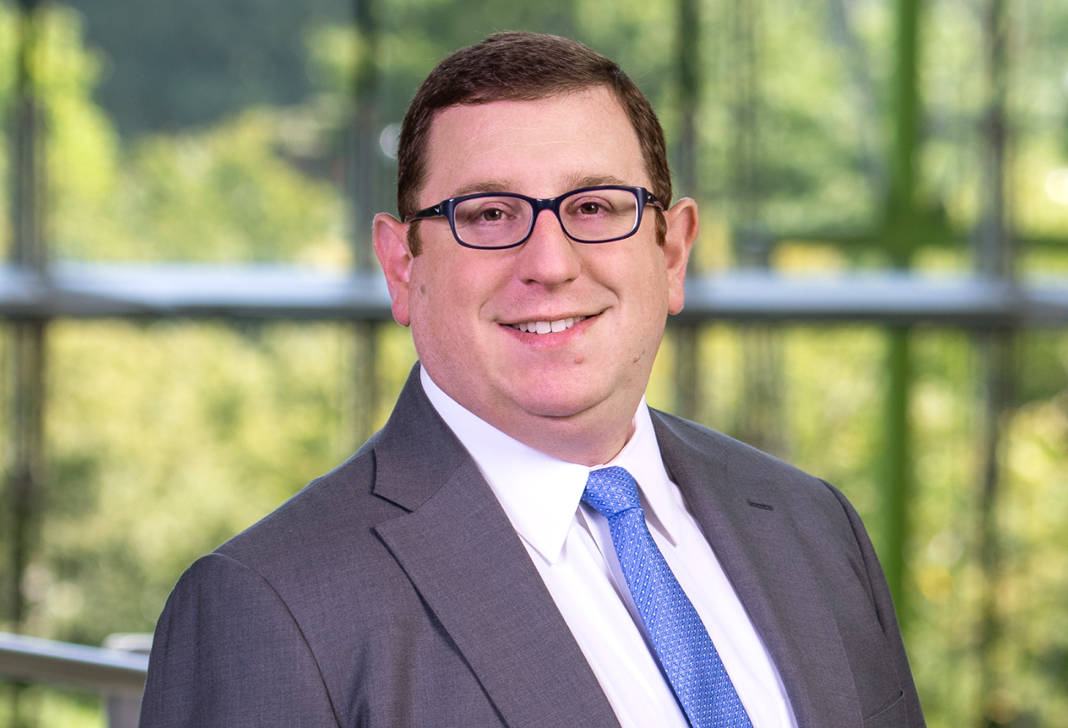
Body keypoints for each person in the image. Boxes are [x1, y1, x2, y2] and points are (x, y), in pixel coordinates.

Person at [140, 32, 924, 728]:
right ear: (402, 267)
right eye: (489, 215)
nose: (549, 264)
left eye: (594, 207)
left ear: (672, 253)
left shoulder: (812, 525)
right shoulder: (271, 608)